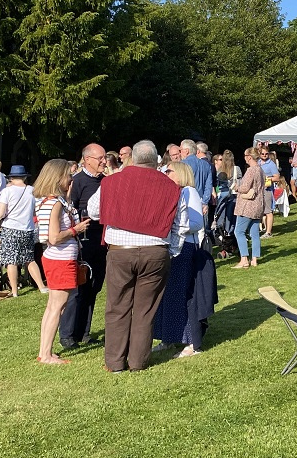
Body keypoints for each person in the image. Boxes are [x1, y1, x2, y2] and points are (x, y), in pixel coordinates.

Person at [86, 140, 181, 373]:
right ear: (155, 160)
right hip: (155, 250)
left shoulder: (112, 181)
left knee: (117, 307)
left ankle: (115, 362)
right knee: (145, 310)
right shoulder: (170, 186)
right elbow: (178, 223)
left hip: (121, 250)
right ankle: (138, 361)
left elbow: (93, 211)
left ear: (134, 158)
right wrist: (172, 250)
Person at [32, 159, 88, 365]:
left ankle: (44, 351)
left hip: (57, 259)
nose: (71, 179)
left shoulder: (49, 201)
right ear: (57, 177)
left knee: (53, 307)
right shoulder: (55, 204)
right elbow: (54, 237)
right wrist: (76, 229)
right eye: (68, 175)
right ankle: (46, 355)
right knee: (57, 307)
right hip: (60, 260)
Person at [152, 162, 205, 357]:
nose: (165, 173)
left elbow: (197, 222)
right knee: (167, 294)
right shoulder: (173, 191)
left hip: (185, 247)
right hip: (172, 246)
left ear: (180, 173)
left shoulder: (189, 191)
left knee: (181, 293)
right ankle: (168, 337)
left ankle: (190, 342)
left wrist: (172, 224)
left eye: (169, 171)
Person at [62, 143, 108, 350]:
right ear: (87, 159)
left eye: (104, 158)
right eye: (100, 158)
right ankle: (68, 334)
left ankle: (84, 332)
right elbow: (70, 211)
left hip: (102, 242)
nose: (104, 162)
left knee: (94, 288)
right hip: (83, 242)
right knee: (78, 289)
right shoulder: (77, 181)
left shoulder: (106, 181)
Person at [0, 165, 47, 297]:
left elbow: (1, 213)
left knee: (11, 261)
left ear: (11, 178)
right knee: (29, 259)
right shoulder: (32, 190)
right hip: (28, 229)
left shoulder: (7, 191)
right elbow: (35, 211)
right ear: (24, 177)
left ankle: (14, 291)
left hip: (11, 229)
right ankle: (41, 286)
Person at [233, 148, 264, 268]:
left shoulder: (251, 170)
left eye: (245, 156)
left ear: (249, 157)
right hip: (258, 205)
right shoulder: (260, 169)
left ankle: (244, 259)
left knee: (239, 231)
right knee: (254, 233)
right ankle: (254, 259)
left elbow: (245, 188)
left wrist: (236, 187)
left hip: (247, 206)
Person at [181, 139, 215, 220]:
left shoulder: (183, 164)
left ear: (186, 151)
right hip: (201, 200)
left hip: (186, 200)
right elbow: (208, 186)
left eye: (180, 150)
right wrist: (205, 202)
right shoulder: (206, 165)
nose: (180, 153)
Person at [259, 146, 279, 236]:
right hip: (259, 190)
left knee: (268, 211)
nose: (264, 155)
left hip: (267, 189)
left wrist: (268, 179)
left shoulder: (271, 164)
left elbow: (277, 177)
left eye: (266, 154)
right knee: (261, 211)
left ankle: (268, 232)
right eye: (262, 154)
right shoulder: (258, 162)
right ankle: (264, 228)